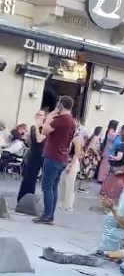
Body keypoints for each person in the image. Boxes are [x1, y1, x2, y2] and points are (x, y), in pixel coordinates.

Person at [33, 96, 76, 225]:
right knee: (54, 186)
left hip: (53, 156)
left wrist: (51, 114)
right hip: (63, 156)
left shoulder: (61, 120)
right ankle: (50, 213)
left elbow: (44, 130)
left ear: (60, 105)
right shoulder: (72, 122)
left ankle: (47, 215)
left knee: (47, 186)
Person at [17, 110, 47, 202]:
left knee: (35, 178)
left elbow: (40, 140)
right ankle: (22, 198)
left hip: (41, 154)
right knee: (28, 177)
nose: (39, 116)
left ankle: (30, 198)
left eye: (41, 115)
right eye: (38, 114)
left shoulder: (45, 128)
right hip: (32, 153)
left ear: (45, 117)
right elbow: (33, 140)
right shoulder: (34, 128)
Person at [101, 131, 124, 202]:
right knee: (121, 183)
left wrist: (111, 156)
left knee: (111, 181)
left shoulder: (121, 146)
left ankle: (107, 195)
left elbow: (119, 157)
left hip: (117, 166)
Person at [58, 133, 82, 211]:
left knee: (69, 185)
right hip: (64, 161)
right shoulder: (66, 136)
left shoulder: (76, 139)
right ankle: (62, 202)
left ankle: (68, 205)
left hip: (72, 163)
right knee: (62, 183)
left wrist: (71, 165)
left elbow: (77, 153)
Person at [78, 126, 102, 193]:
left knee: (86, 172)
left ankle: (82, 186)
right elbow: (92, 147)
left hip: (89, 157)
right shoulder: (95, 138)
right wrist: (97, 155)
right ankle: (81, 187)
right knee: (86, 172)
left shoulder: (94, 137)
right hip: (90, 157)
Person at [97, 119, 119, 184]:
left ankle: (101, 178)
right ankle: (102, 178)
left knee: (105, 164)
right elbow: (113, 137)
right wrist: (119, 134)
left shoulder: (108, 130)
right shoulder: (111, 131)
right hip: (109, 149)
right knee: (105, 164)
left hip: (107, 148)